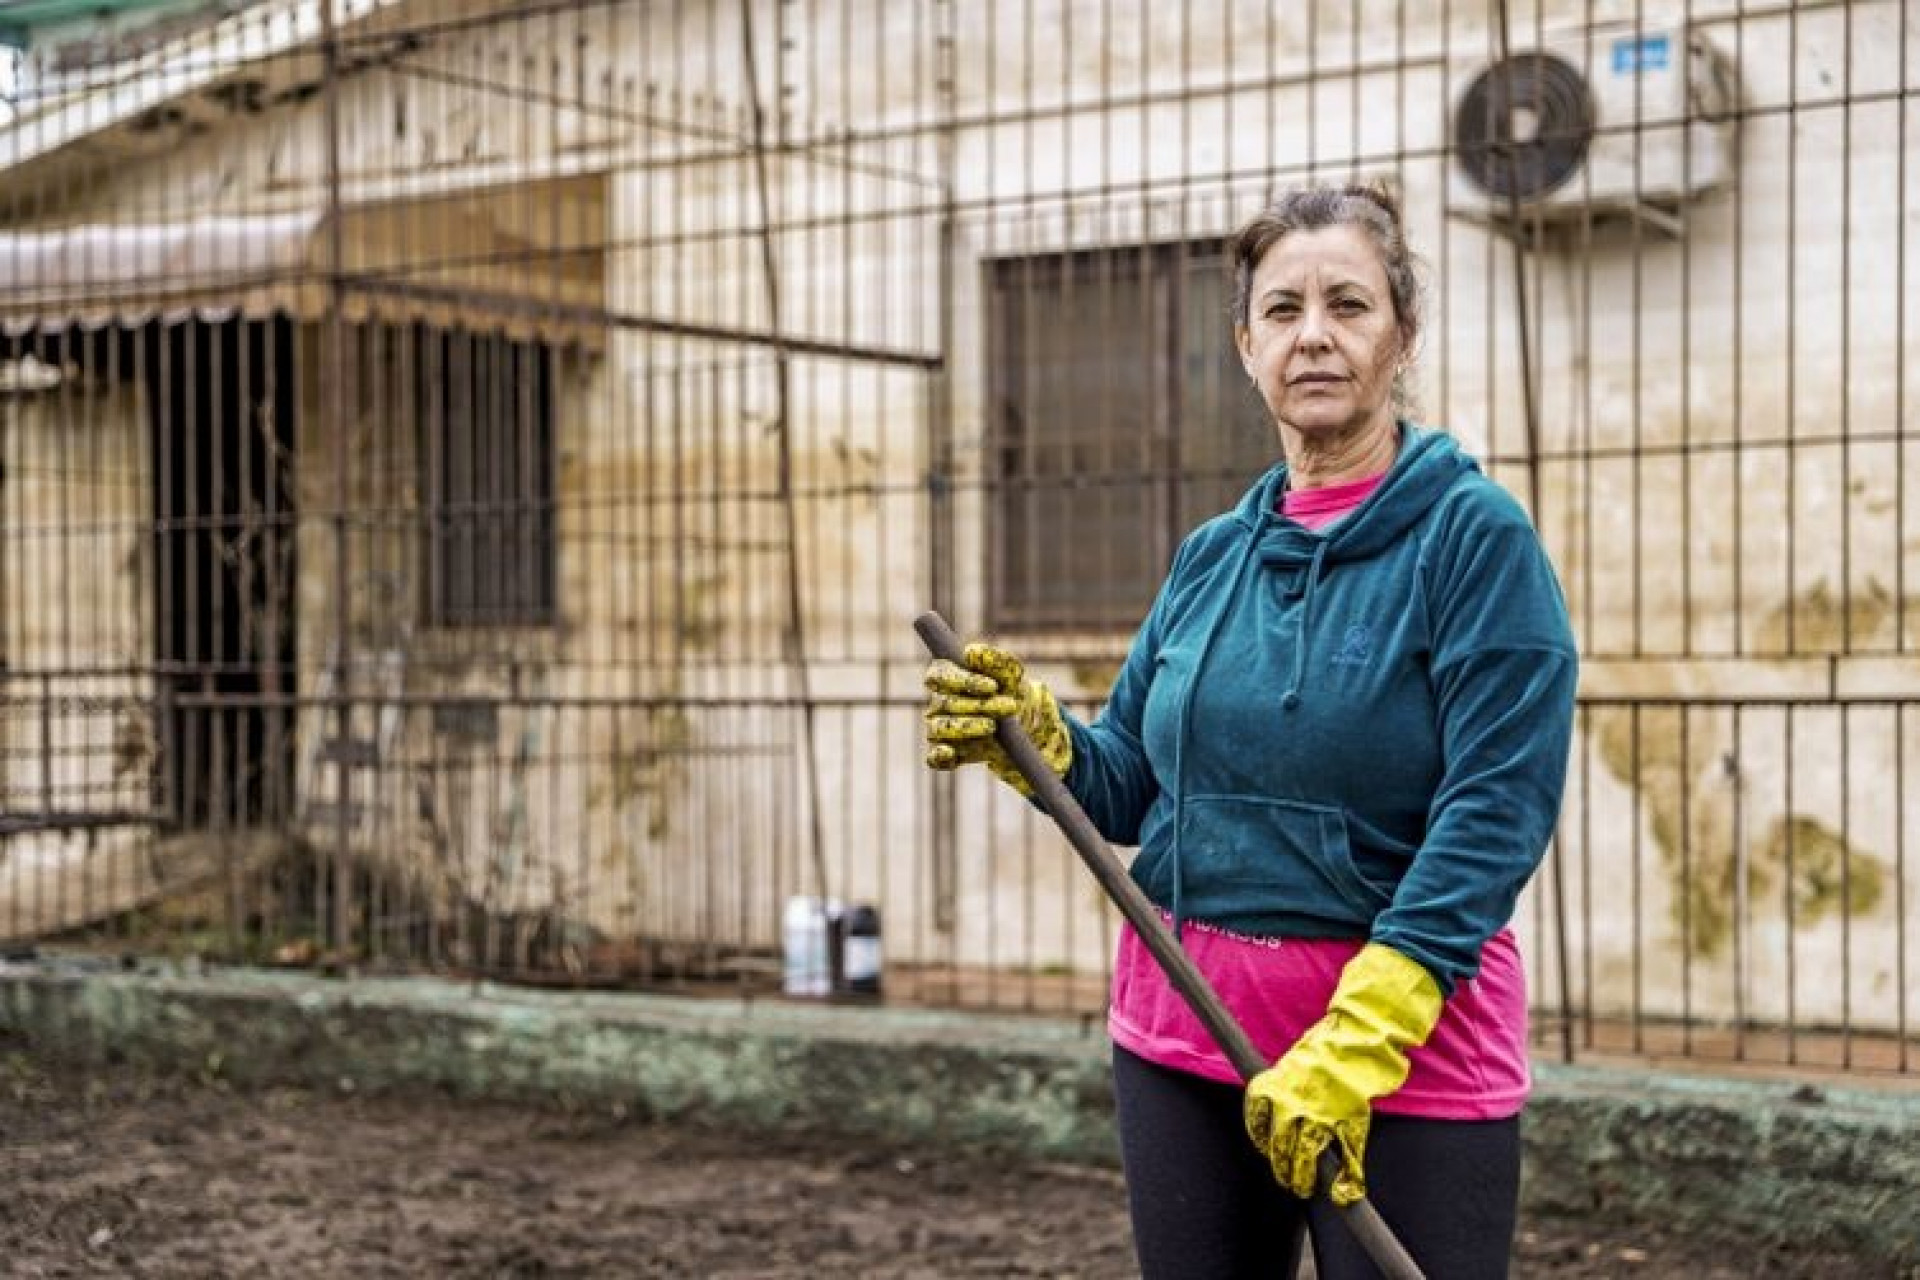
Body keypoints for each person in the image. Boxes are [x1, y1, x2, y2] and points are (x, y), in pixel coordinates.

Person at [923, 183, 1578, 1279]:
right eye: (1282, 310)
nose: (1313, 335)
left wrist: (1358, 1039)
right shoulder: (1212, 556)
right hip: (1182, 1032)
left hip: (1402, 1057)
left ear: (1401, 334)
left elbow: (1494, 810)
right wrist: (1034, 738)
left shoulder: (1476, 541)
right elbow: (1133, 784)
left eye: (1348, 305)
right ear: (1244, 343)